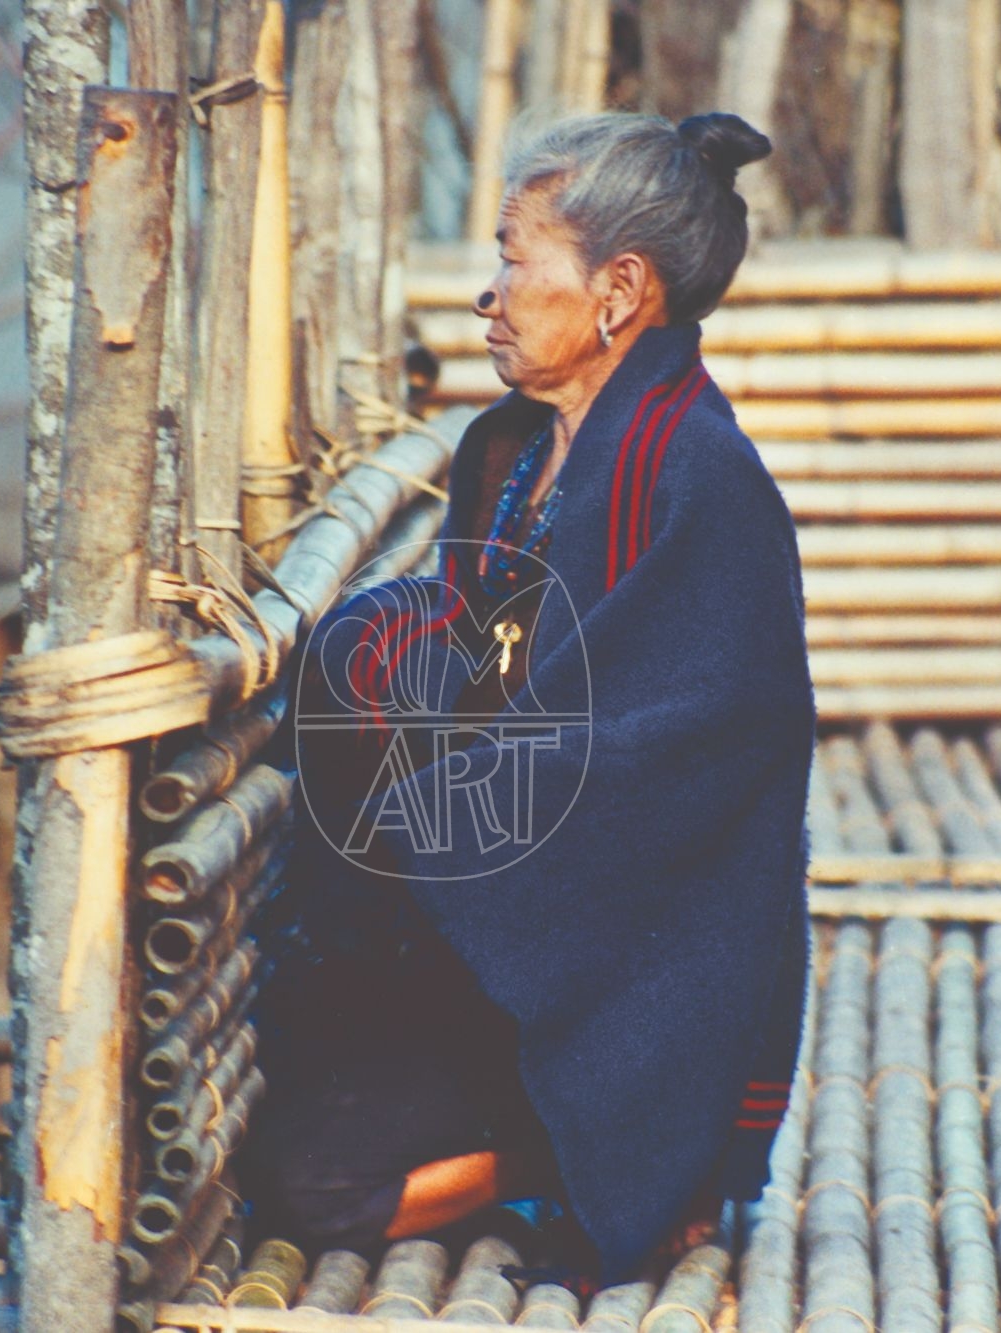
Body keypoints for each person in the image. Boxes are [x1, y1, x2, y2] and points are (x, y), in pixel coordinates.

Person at [239, 110, 817, 1286]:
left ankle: (590, 1151)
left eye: (513, 258)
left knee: (317, 1187)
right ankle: (554, 1140)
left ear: (616, 290)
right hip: (491, 923)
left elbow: (695, 752)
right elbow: (472, 665)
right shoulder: (510, 453)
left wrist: (436, 809)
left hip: (633, 970)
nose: (485, 295)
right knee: (272, 1130)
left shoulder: (703, 478)